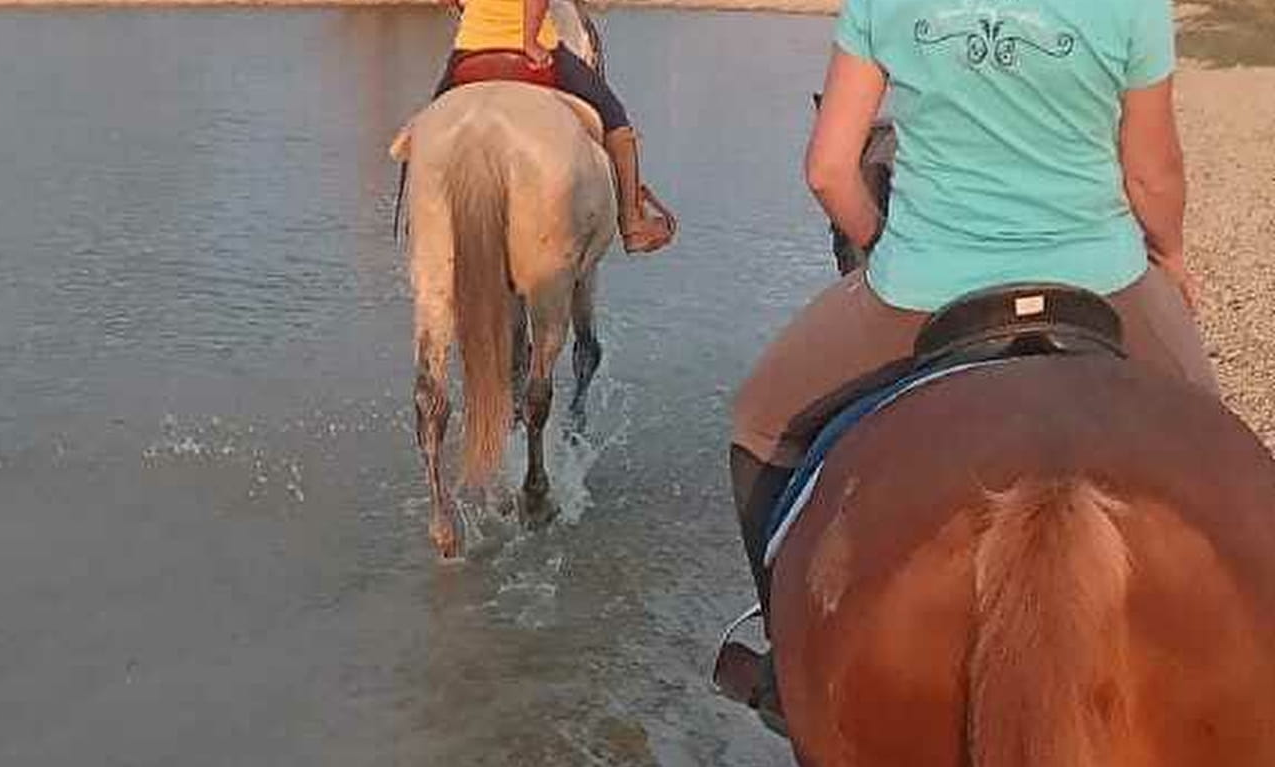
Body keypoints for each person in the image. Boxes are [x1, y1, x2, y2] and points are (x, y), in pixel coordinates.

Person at [728, 0, 1220, 716]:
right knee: (1217, 438)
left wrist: (877, 246)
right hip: (1103, 280)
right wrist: (1170, 256)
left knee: (760, 425)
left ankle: (783, 660)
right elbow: (1151, 175)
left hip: (924, 288)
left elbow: (830, 170)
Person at [433, 0, 676, 253]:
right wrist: (529, 42)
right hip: (530, 46)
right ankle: (632, 223)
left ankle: (419, 216)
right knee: (616, 119)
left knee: (428, 128)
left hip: (471, 48)